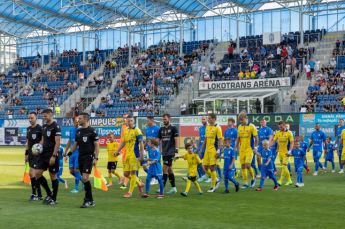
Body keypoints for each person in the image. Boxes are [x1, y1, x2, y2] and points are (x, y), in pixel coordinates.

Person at [70, 112, 99, 208]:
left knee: (85, 178)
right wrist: (69, 154)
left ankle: (86, 201)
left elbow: (96, 145)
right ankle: (91, 200)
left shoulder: (92, 131)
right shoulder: (78, 131)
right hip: (80, 157)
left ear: (86, 119)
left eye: (80, 118)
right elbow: (76, 144)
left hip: (88, 157)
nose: (78, 120)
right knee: (84, 179)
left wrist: (96, 158)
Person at [33, 108, 61, 205]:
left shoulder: (56, 126)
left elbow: (58, 142)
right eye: (43, 116)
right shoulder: (44, 126)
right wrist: (38, 148)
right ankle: (49, 193)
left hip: (51, 154)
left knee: (53, 175)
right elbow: (43, 140)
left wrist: (53, 156)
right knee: (37, 173)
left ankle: (54, 198)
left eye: (45, 116)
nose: (44, 118)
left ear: (50, 114)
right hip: (43, 154)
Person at [115, 114, 145, 198]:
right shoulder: (125, 130)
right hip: (127, 155)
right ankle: (139, 183)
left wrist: (142, 155)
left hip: (134, 155)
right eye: (128, 121)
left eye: (131, 120)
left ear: (134, 121)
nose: (129, 122)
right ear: (126, 122)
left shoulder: (137, 130)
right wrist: (117, 151)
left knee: (133, 173)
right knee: (126, 174)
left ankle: (130, 192)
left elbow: (141, 143)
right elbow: (123, 142)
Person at [201, 113, 223, 192]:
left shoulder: (218, 128)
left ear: (214, 119)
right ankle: (216, 179)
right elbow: (206, 139)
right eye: (208, 118)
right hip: (207, 150)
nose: (208, 119)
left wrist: (219, 150)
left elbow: (220, 140)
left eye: (210, 118)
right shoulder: (207, 127)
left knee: (212, 167)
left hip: (214, 150)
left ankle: (213, 187)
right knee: (204, 167)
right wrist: (202, 148)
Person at [158, 113, 179, 194]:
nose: (164, 121)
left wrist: (176, 151)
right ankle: (174, 188)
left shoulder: (173, 128)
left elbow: (176, 139)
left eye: (165, 119)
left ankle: (162, 188)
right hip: (164, 152)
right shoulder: (161, 129)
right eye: (163, 119)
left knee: (165, 169)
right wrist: (158, 150)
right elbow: (159, 140)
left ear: (169, 119)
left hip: (171, 152)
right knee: (169, 170)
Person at [236, 111, 257, 189]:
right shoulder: (239, 127)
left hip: (249, 149)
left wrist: (255, 147)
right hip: (242, 149)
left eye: (242, 120)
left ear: (245, 118)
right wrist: (236, 147)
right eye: (240, 120)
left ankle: (253, 178)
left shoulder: (252, 126)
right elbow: (238, 138)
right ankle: (245, 183)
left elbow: (256, 138)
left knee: (248, 165)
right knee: (243, 166)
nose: (241, 121)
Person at [25, 112, 43, 201]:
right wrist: (26, 154)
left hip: (38, 155)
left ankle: (34, 194)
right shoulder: (28, 129)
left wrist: (38, 148)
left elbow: (43, 140)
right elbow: (28, 143)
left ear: (36, 118)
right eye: (29, 118)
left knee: (32, 173)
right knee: (34, 175)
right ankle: (39, 194)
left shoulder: (40, 128)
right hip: (31, 155)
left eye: (32, 118)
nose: (30, 119)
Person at [271, 121, 294, 186]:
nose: (280, 128)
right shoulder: (278, 133)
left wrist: (290, 151)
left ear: (284, 125)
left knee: (284, 165)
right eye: (279, 127)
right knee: (284, 167)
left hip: (286, 152)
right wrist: (268, 146)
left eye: (281, 127)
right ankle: (289, 180)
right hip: (280, 152)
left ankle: (280, 180)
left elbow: (292, 142)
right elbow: (274, 141)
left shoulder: (289, 133)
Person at [63, 117, 82, 193]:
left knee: (76, 169)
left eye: (78, 121)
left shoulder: (81, 130)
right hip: (72, 153)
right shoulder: (71, 130)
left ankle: (76, 188)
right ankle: (83, 181)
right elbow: (69, 141)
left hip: (79, 153)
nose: (77, 123)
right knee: (71, 171)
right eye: (76, 121)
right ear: (73, 122)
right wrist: (66, 151)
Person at [145, 116, 160, 185]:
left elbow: (159, 139)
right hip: (149, 149)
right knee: (151, 163)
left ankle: (156, 178)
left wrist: (157, 148)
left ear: (152, 120)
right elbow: (147, 139)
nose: (147, 122)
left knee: (156, 163)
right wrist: (145, 146)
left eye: (148, 120)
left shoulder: (157, 128)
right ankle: (154, 177)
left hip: (155, 149)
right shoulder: (147, 129)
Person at [197, 116, 207, 182]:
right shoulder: (200, 128)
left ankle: (209, 176)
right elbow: (200, 138)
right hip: (201, 148)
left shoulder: (209, 128)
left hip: (208, 148)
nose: (202, 120)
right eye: (202, 119)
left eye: (204, 119)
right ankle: (202, 176)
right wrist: (198, 147)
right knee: (198, 161)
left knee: (208, 164)